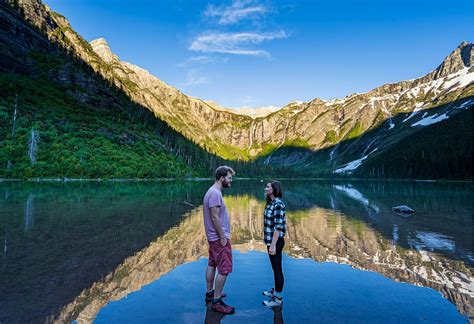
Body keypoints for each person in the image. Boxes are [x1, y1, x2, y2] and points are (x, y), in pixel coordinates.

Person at [203, 166, 236, 315]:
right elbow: (215, 216)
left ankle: (210, 292)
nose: (231, 181)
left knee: (212, 263)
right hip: (218, 238)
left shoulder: (211, 191)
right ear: (222, 178)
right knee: (225, 268)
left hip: (212, 238)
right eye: (229, 178)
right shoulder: (215, 193)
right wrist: (223, 236)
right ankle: (216, 301)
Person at [262, 181, 287, 307]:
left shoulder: (278, 204)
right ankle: (276, 291)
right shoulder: (270, 203)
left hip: (275, 242)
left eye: (268, 186)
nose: (265, 188)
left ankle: (278, 299)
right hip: (271, 241)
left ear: (274, 189)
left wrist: (272, 245)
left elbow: (278, 227)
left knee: (277, 269)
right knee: (274, 268)